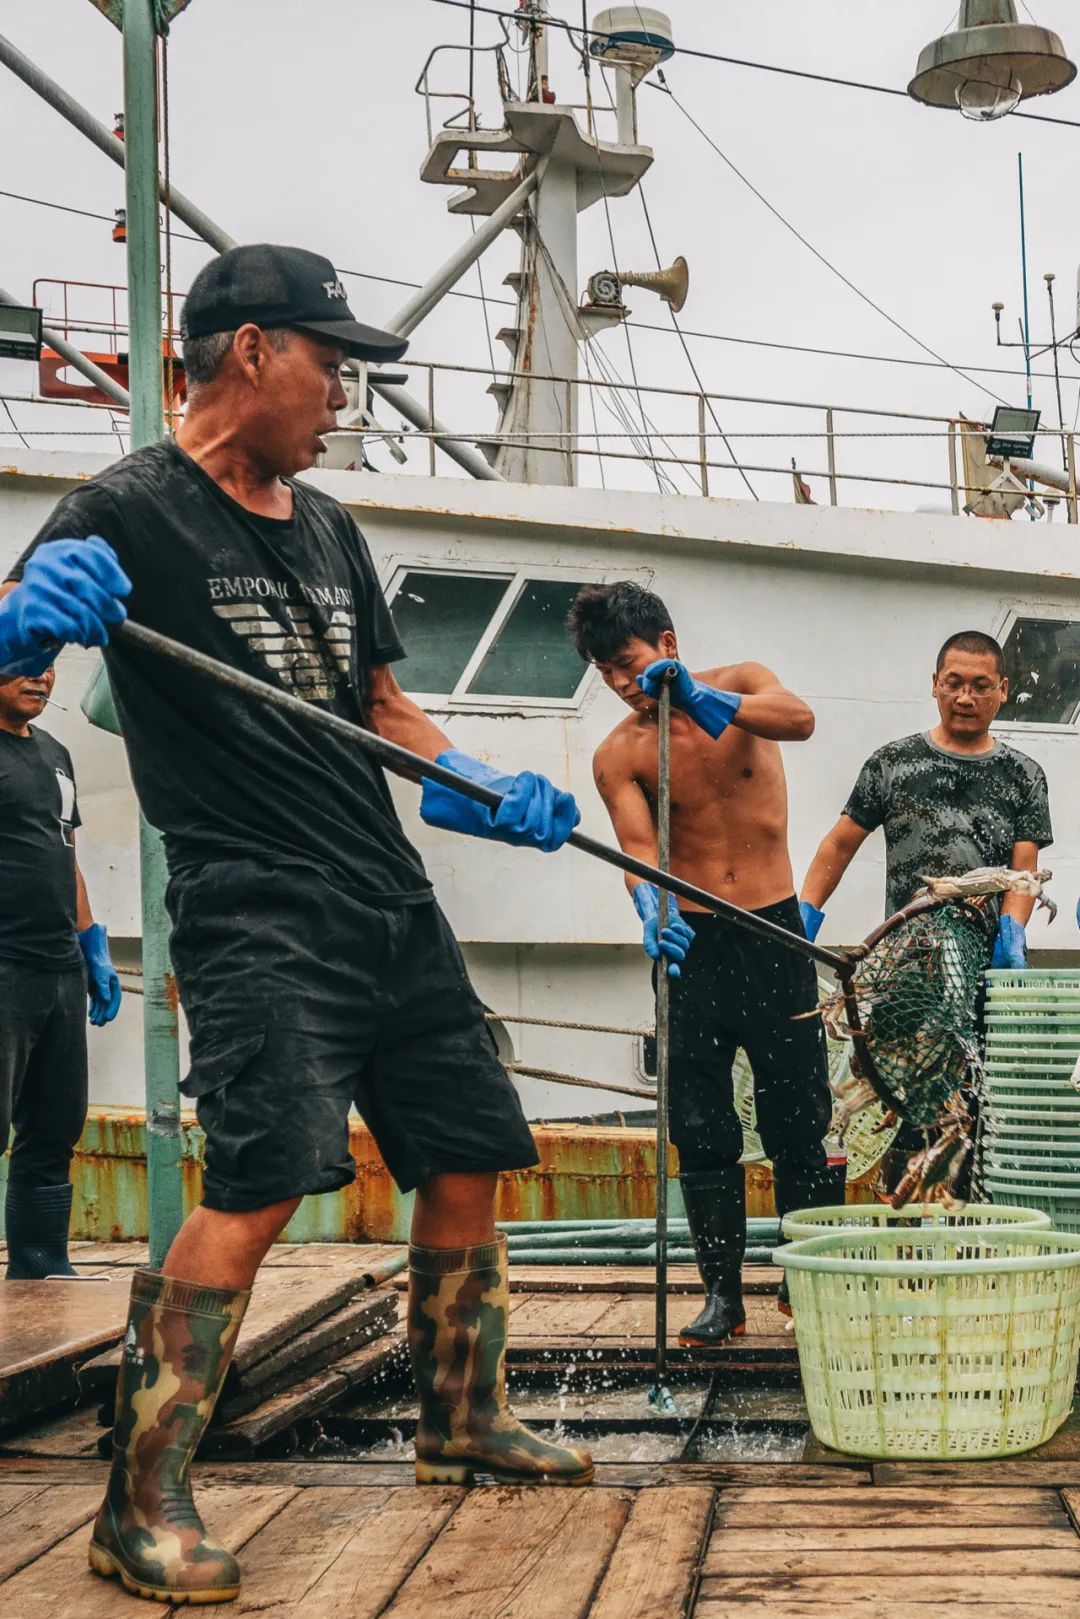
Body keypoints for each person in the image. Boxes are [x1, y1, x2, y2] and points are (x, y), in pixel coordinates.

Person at [3, 244, 592, 1608]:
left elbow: (381, 707)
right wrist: (12, 621)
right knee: (261, 1182)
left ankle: (460, 1416)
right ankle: (137, 1498)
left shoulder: (326, 524)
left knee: (465, 1152)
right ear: (253, 350)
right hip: (255, 905)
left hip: (388, 895)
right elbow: (9, 656)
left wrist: (481, 778)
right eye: (333, 362)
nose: (348, 390)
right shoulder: (124, 507)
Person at [566, 582, 845, 1348]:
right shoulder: (619, 752)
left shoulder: (744, 684)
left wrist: (699, 696)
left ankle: (806, 1278)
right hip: (691, 942)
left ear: (667, 643)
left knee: (799, 1119)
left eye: (628, 662)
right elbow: (638, 850)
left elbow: (802, 719)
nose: (623, 684)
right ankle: (723, 1294)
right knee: (701, 1124)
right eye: (606, 672)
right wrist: (649, 905)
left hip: (776, 931)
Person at [800, 629, 1053, 1184]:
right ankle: (910, 1230)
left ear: (1002, 690)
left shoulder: (1024, 775)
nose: (966, 697)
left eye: (980, 686)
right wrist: (805, 913)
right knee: (907, 1103)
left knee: (976, 1107)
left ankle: (968, 1223)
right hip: (906, 967)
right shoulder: (892, 763)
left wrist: (1011, 932)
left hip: (983, 969)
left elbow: (1024, 866)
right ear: (935, 686)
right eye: (954, 683)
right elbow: (839, 844)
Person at [0, 664, 121, 1279]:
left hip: (58, 966)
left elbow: (65, 849)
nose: (41, 680)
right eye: (24, 665)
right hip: (4, 967)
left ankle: (39, 1263)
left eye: (49, 669)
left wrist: (92, 943)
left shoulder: (55, 753)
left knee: (54, 1124)